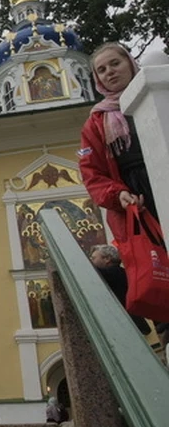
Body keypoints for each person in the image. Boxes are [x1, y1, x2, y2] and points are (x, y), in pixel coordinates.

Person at [80, 43, 169, 347]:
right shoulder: (97, 121)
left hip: (162, 177)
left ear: (131, 63)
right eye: (102, 69)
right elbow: (92, 175)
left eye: (115, 63)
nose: (110, 72)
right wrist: (120, 195)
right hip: (133, 201)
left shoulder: (155, 94)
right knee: (153, 267)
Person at [90, 244, 152, 335]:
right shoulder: (121, 272)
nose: (91, 261)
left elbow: (96, 272)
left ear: (107, 259)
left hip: (129, 324)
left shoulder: (115, 272)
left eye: (93, 258)